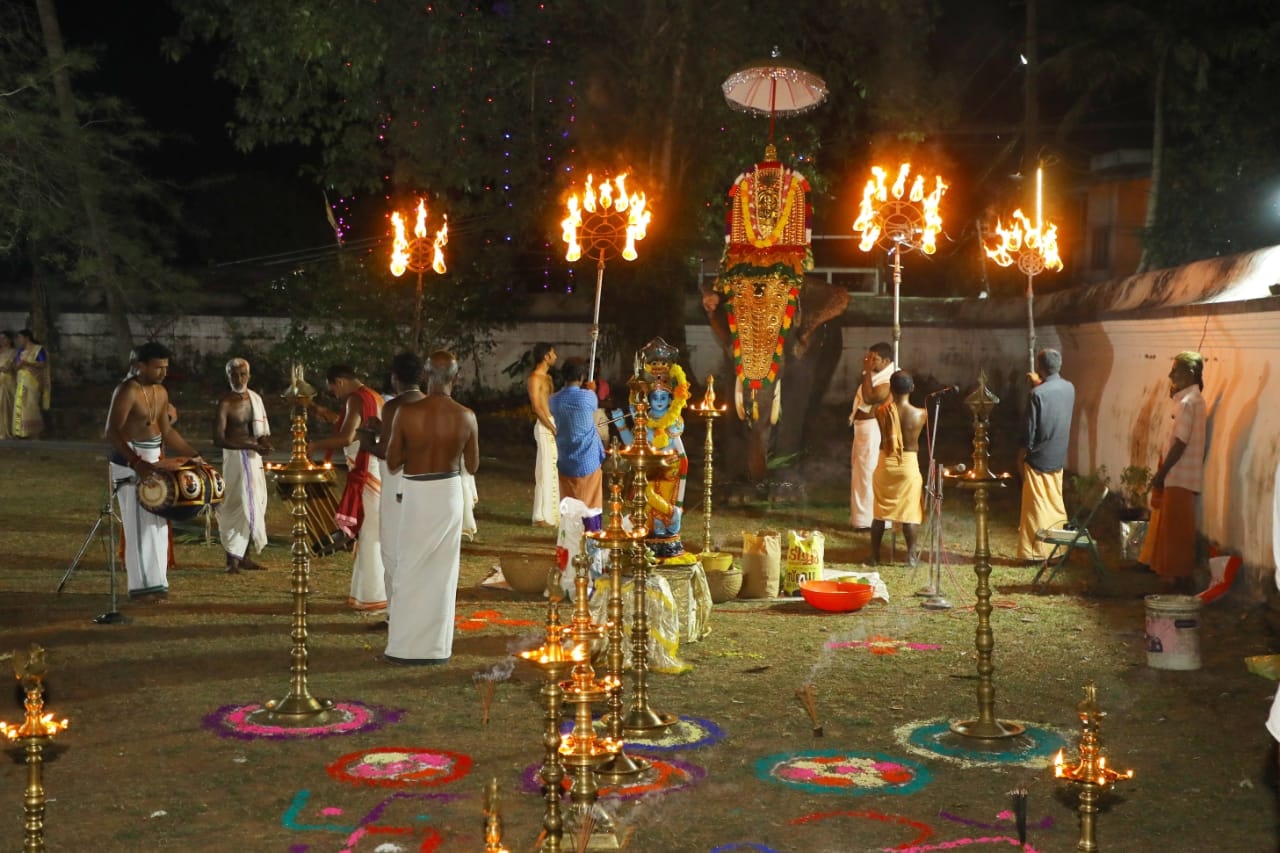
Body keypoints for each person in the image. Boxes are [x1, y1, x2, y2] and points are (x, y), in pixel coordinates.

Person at [383, 350, 479, 664]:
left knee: (408, 567)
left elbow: (394, 461)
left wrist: (418, 448)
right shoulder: (466, 415)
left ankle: (404, 647)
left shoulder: (407, 413)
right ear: (457, 377)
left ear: (426, 375)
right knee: (442, 572)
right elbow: (473, 465)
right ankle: (436, 648)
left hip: (417, 493)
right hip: (448, 493)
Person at [104, 341, 204, 600]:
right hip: (130, 462)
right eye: (158, 367)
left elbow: (167, 432)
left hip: (154, 460)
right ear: (139, 366)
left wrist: (194, 455)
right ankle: (141, 588)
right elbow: (112, 433)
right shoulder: (127, 390)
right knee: (139, 525)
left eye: (166, 367)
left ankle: (158, 584)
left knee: (158, 524)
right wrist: (137, 463)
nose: (163, 372)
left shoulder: (161, 392)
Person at [307, 365, 387, 613]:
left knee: (370, 535)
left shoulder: (355, 399)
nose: (332, 392)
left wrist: (313, 445)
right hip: (376, 469)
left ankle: (373, 596)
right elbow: (355, 426)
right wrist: (325, 413)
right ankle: (366, 592)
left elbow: (347, 437)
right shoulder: (373, 396)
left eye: (331, 387)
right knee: (370, 534)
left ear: (339, 381)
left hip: (366, 473)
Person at [361, 351, 425, 613]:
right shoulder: (430, 404)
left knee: (393, 548)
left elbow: (388, 452)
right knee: (417, 548)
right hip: (424, 483)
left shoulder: (394, 406)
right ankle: (416, 609)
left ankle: (396, 614)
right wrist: (382, 429)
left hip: (397, 482)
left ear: (395, 378)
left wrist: (366, 438)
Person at [1139, 351, 1208, 593]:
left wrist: (1162, 473)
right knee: (1172, 529)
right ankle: (1174, 579)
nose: (1171, 375)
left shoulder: (1190, 403)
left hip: (1179, 474)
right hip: (1180, 475)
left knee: (1175, 532)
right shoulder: (1187, 400)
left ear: (1190, 373)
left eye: (1176, 370)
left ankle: (1175, 580)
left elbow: (1180, 441)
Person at [212, 357, 273, 574]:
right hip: (235, 460)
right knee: (233, 506)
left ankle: (245, 557)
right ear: (228, 376)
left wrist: (264, 444)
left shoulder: (255, 399)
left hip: (254, 460)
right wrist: (248, 445)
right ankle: (232, 560)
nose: (238, 379)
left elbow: (262, 433)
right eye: (234, 375)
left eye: (242, 374)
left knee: (255, 506)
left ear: (249, 375)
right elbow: (218, 438)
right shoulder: (226, 403)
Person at [1016, 348, 1076, 562]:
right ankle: (1058, 548)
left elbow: (1029, 431)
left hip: (1038, 457)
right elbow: (1051, 397)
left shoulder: (1036, 395)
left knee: (1036, 506)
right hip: (1058, 455)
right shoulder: (1069, 388)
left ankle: (1036, 551)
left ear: (1040, 368)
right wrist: (1039, 384)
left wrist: (1023, 454)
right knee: (1053, 502)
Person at [869, 371, 926, 566]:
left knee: (879, 513)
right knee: (910, 512)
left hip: (886, 463)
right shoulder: (921, 414)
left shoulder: (880, 411)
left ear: (891, 389)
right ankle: (910, 556)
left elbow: (878, 405)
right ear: (912, 388)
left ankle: (874, 556)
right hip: (908, 465)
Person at [548, 358, 605, 509]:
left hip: (565, 459)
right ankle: (590, 531)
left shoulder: (553, 400)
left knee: (568, 504)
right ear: (581, 377)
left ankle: (571, 531)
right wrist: (591, 390)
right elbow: (592, 404)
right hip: (588, 458)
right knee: (591, 504)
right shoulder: (588, 397)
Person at [849, 342, 895, 530]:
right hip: (863, 428)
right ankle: (862, 519)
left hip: (872, 429)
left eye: (874, 359)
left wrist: (866, 371)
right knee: (860, 472)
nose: (869, 362)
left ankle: (868, 522)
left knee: (867, 472)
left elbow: (869, 398)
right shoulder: (877, 376)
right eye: (868, 358)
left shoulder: (888, 379)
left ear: (886, 361)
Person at [527, 342, 559, 527]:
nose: (555, 357)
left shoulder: (548, 378)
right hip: (544, 425)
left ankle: (545, 514)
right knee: (545, 470)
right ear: (546, 356)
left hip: (552, 423)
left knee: (550, 469)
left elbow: (551, 402)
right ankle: (542, 516)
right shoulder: (535, 378)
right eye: (553, 354)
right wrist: (551, 427)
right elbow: (536, 407)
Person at [12, 329, 50, 439]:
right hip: (21, 381)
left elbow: (43, 364)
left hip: (33, 382)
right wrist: (18, 365)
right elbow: (16, 366)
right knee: (20, 405)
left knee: (31, 405)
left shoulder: (38, 349)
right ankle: (21, 432)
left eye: (20, 338)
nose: (19, 340)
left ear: (27, 337)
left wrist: (27, 363)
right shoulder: (20, 351)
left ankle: (34, 433)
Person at [0, 331, 16, 440]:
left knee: (7, 405)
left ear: (9, 340)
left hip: (9, 380)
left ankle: (8, 431)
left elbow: (12, 367)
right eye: (1, 338)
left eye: (4, 338)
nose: (2, 340)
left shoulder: (14, 352)